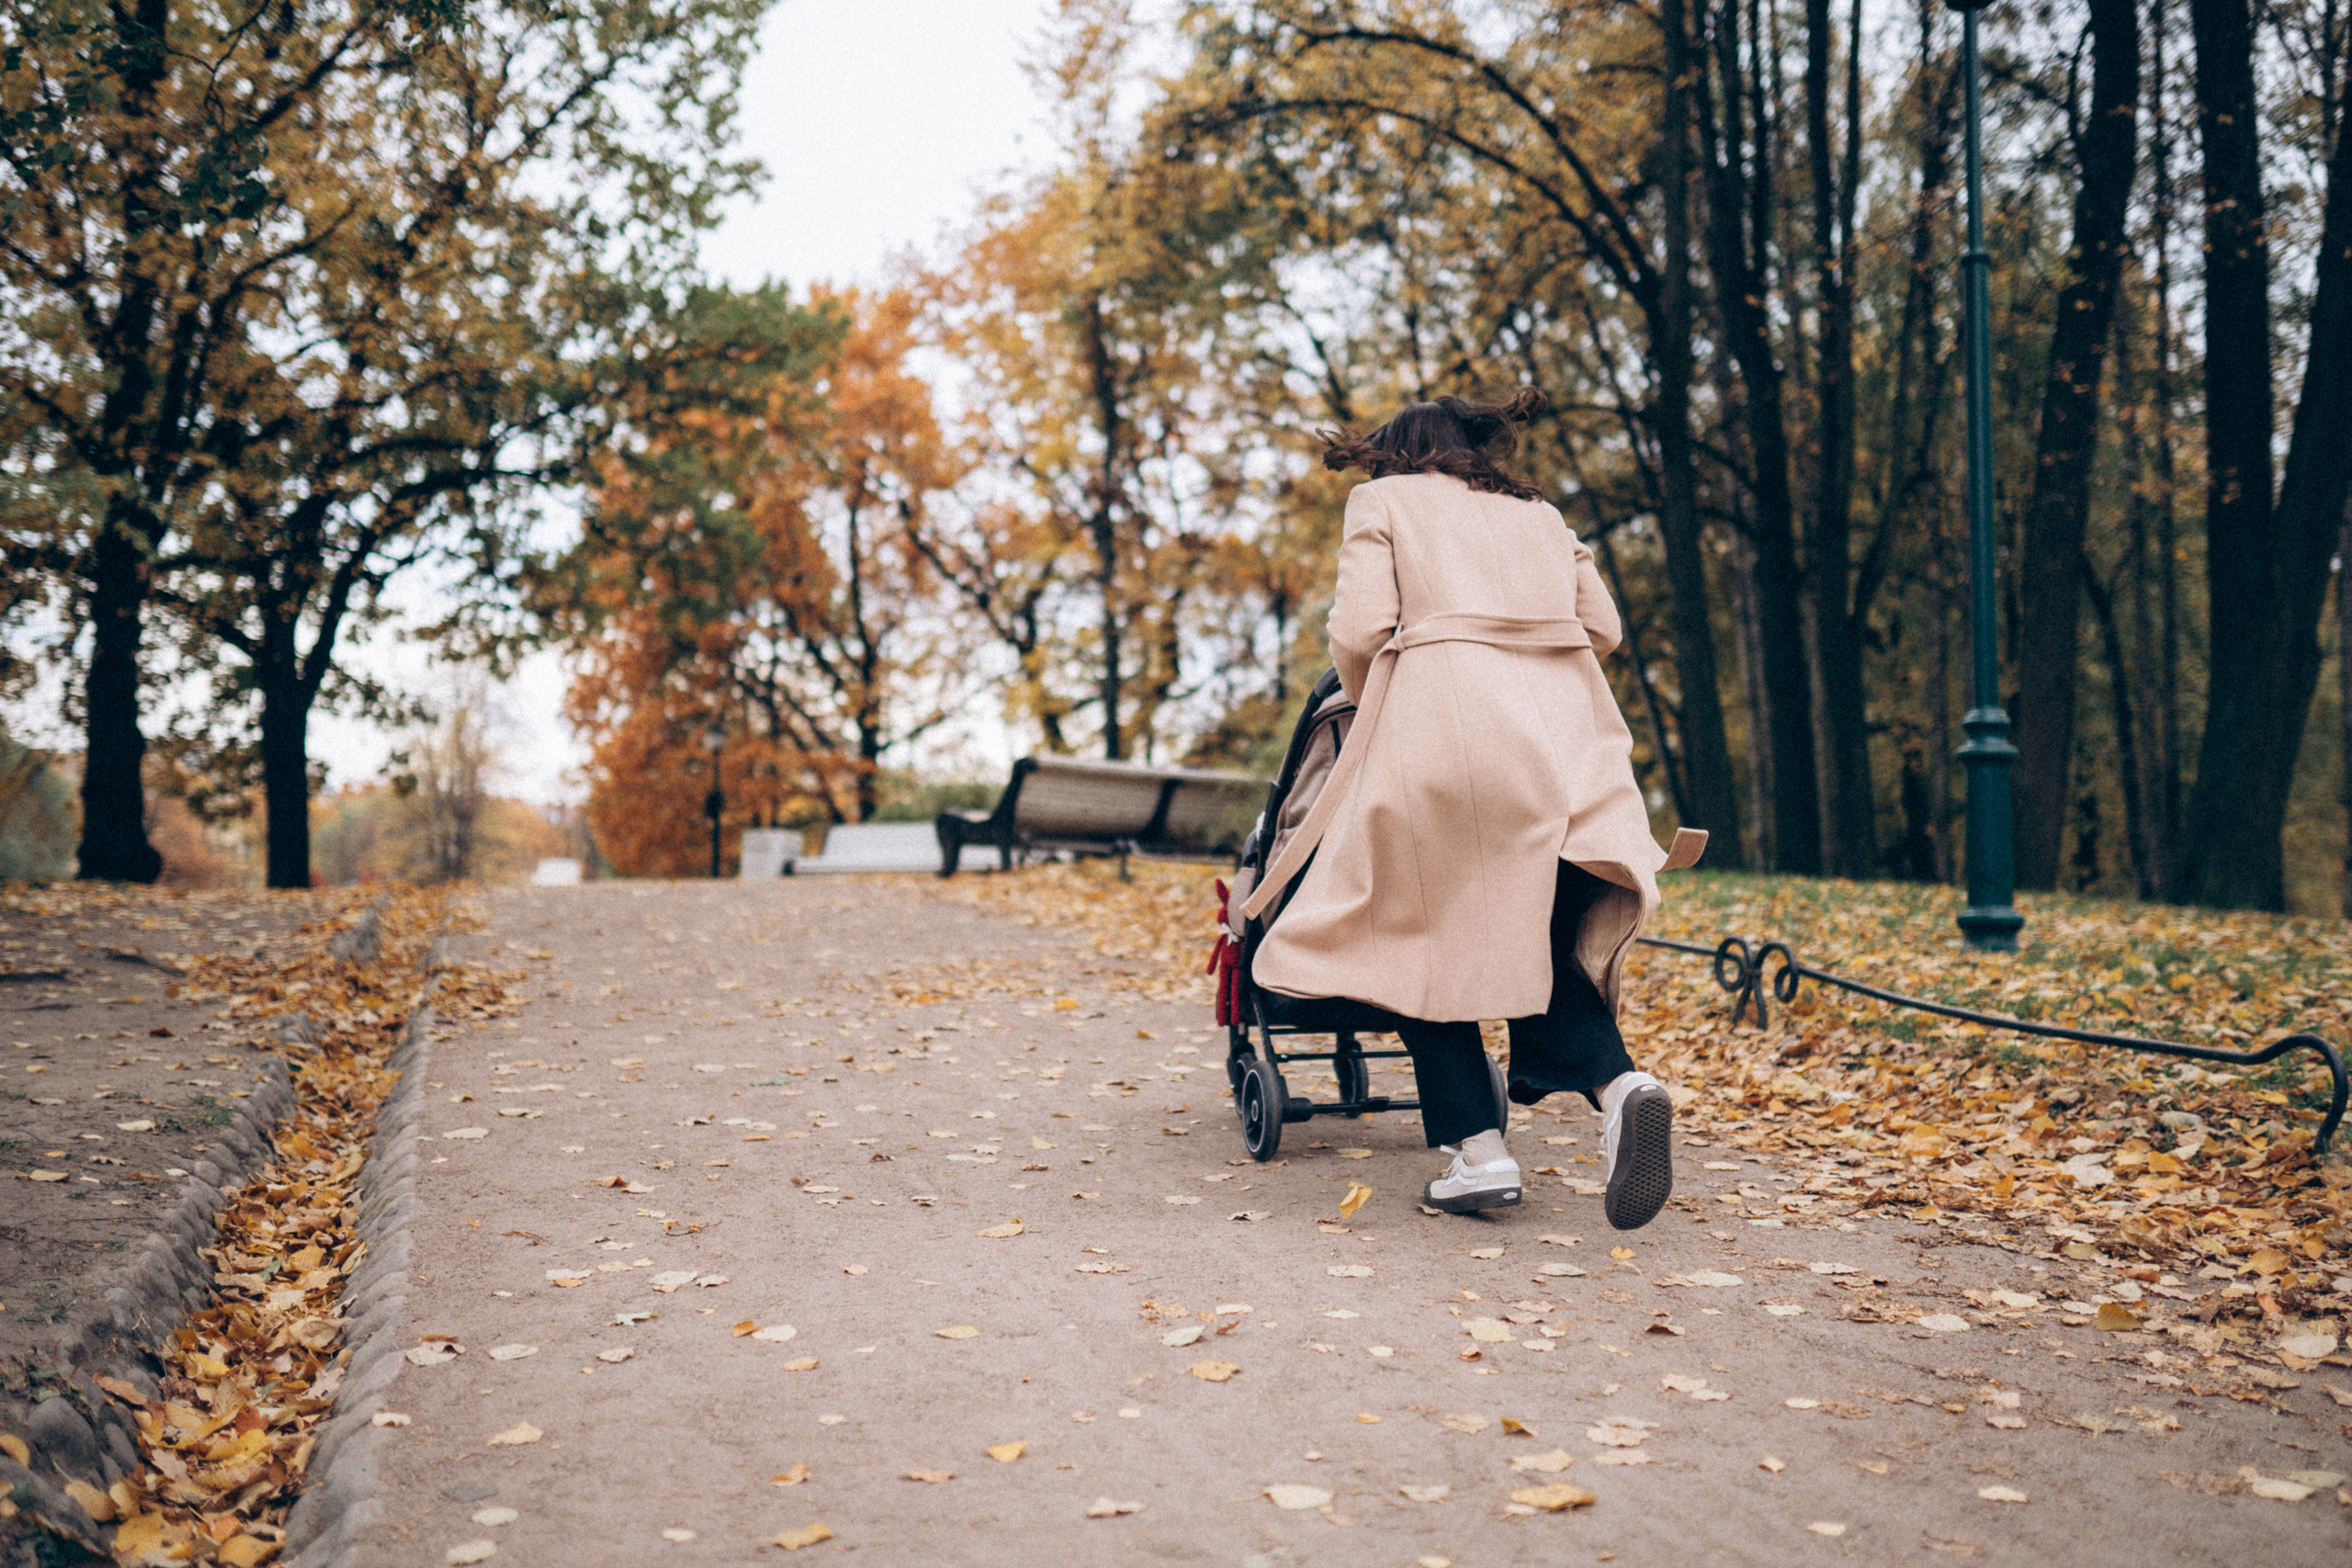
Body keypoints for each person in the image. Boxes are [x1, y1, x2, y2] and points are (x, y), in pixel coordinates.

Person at [1236, 389, 1703, 1231]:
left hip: (1444, 746)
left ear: (1396, 454)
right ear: (1474, 447)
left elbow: (1361, 628)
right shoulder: (1544, 517)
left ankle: (1480, 1156)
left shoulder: (1379, 501)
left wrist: (1387, 687)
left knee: (1420, 951)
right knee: (1537, 944)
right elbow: (1604, 629)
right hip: (1567, 752)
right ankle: (1623, 1087)